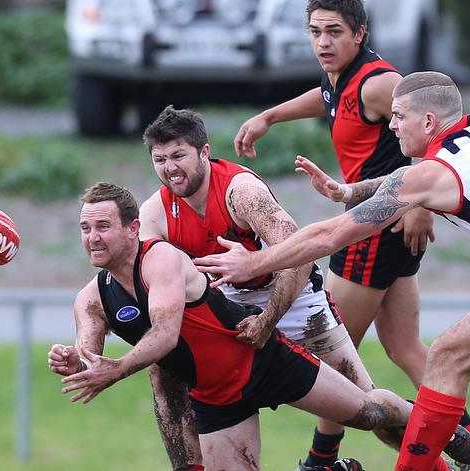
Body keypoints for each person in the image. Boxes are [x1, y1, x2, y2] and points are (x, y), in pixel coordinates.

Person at [194, 71, 470, 470]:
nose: (391, 125)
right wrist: (349, 191)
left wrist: (254, 261)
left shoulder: (433, 173)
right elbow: (419, 183)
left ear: (429, 122)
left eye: (398, 116)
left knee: (448, 356)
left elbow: (330, 236)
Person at [232, 0, 470, 467]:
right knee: (402, 347)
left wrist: (421, 206)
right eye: (315, 32)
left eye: (334, 31)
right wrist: (269, 116)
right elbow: (328, 98)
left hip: (372, 230)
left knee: (335, 353)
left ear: (360, 33)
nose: (323, 42)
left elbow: (434, 120)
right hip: (383, 227)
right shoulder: (342, 77)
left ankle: (322, 459)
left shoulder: (379, 83)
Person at [47, 181, 470, 471]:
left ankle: (438, 425)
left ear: (132, 228)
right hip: (217, 398)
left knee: (368, 413)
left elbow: (165, 334)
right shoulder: (91, 297)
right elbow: (90, 355)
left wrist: (116, 369)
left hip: (263, 359)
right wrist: (75, 361)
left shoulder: (158, 258)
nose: (93, 237)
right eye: (85, 228)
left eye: (103, 226)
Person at [138, 105, 398, 469]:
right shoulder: (155, 212)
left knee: (369, 409)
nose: (170, 168)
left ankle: (443, 444)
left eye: (179, 155)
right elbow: (141, 277)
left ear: (204, 152)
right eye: (160, 159)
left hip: (293, 301)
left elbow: (300, 255)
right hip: (228, 310)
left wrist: (268, 319)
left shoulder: (240, 191)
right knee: (165, 370)